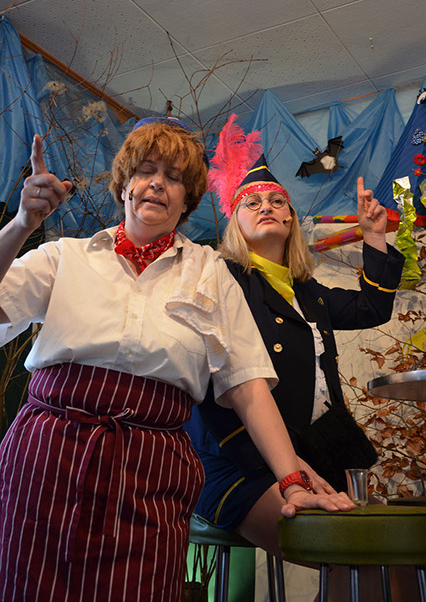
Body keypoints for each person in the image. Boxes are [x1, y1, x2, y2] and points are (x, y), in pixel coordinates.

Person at [0, 118, 354, 602]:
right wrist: (22, 224)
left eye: (172, 177)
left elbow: (247, 385)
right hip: (49, 455)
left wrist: (291, 481)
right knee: (29, 586)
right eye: (145, 171)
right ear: (124, 184)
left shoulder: (211, 272)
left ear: (187, 199)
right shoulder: (65, 256)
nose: (156, 184)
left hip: (153, 465)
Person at [187, 117, 404, 563]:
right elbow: (213, 391)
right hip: (238, 457)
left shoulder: (308, 292)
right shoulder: (222, 279)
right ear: (234, 222)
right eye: (251, 202)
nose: (265, 206)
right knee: (348, 554)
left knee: (385, 554)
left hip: (316, 450)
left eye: (276, 200)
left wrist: (374, 236)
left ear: (290, 218)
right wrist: (287, 467)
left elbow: (372, 307)